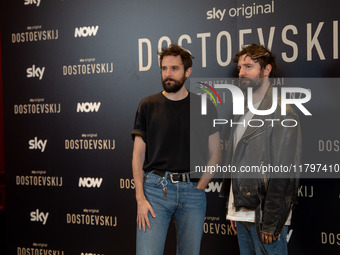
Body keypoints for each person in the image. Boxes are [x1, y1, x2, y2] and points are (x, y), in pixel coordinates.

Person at [131, 44, 221, 255]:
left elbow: (216, 154)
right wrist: (140, 199)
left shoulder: (205, 105)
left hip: (192, 192)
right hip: (154, 191)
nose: (167, 74)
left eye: (174, 68)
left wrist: (200, 187)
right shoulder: (148, 105)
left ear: (188, 72)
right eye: (164, 68)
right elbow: (137, 155)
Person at [221, 44, 301, 255]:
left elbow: (284, 170)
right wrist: (234, 210)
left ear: (266, 70)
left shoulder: (283, 111)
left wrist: (272, 220)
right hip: (242, 213)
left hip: (264, 215)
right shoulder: (241, 111)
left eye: (249, 66)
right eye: (240, 67)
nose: (241, 73)